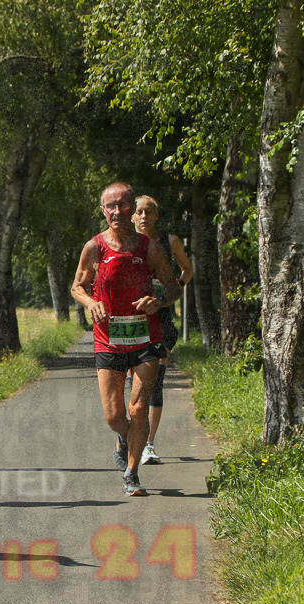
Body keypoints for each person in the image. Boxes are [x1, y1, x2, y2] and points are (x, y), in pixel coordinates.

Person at [69, 182, 181, 497]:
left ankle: (131, 474)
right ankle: (123, 437)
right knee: (115, 416)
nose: (117, 212)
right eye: (110, 206)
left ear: (131, 207)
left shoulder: (150, 248)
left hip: (146, 337)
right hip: (108, 339)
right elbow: (78, 286)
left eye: (122, 205)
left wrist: (158, 301)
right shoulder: (94, 248)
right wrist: (91, 303)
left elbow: (173, 286)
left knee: (140, 406)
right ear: (104, 211)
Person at [132, 195, 194, 464]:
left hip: (163, 321)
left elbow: (187, 269)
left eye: (149, 212)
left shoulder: (170, 242)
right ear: (132, 217)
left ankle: (148, 445)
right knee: (134, 386)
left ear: (156, 215)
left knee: (154, 384)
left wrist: (173, 290)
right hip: (131, 323)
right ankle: (127, 438)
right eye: (139, 212)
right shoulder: (121, 244)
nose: (144, 216)